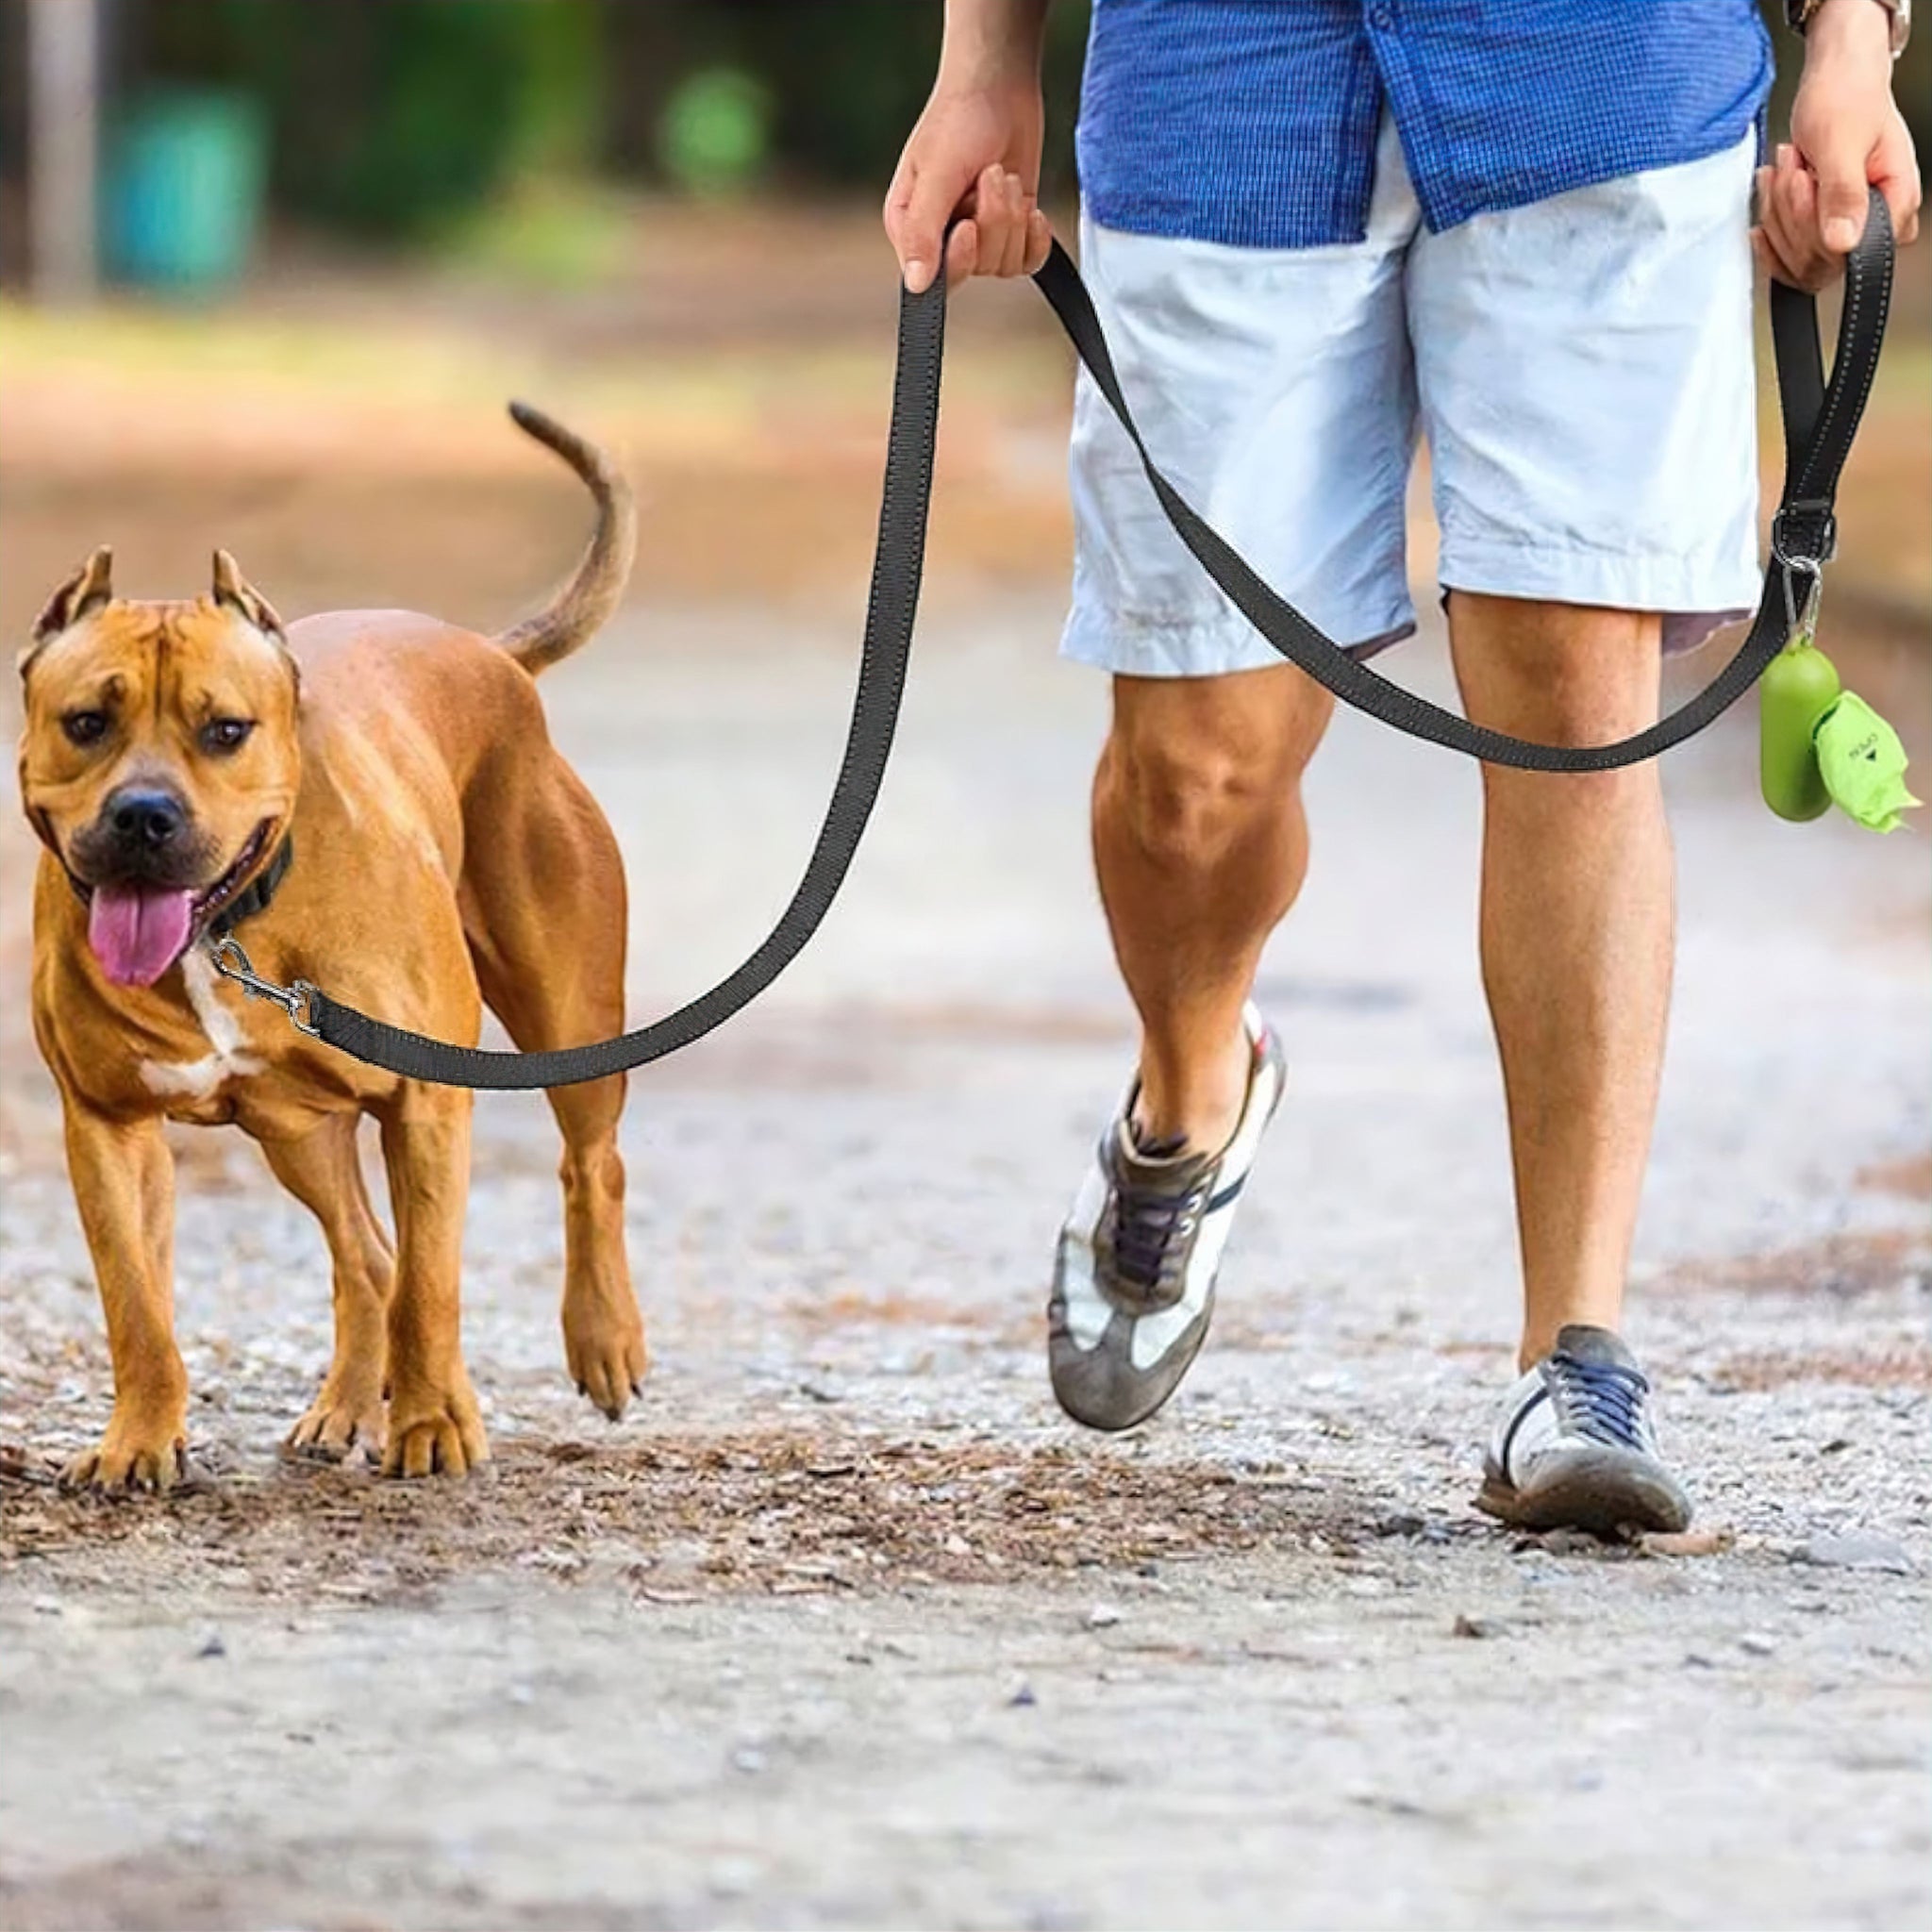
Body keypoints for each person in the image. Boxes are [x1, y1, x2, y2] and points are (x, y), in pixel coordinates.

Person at [884, 0, 1921, 1533]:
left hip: (1612, 71)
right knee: (1194, 776)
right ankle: (1192, 1094)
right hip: (1224, 73)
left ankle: (1577, 1359)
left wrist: (1851, 40)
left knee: (1580, 703)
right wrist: (987, 58)